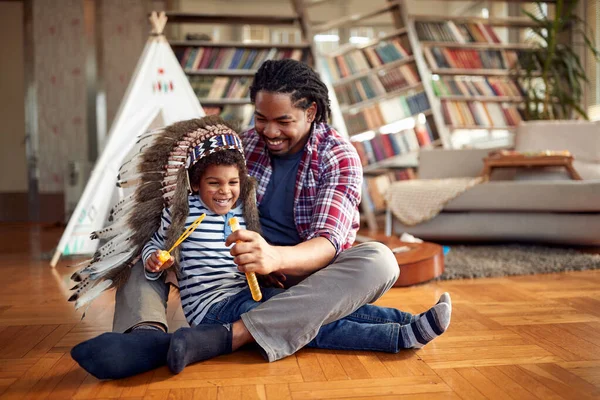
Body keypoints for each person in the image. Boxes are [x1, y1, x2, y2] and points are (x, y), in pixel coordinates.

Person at [71, 60, 451, 380]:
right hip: (238, 275)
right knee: (141, 256)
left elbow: (329, 243)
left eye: (283, 121)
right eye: (261, 118)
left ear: (311, 112)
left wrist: (275, 258)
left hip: (306, 277)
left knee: (380, 260)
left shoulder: (338, 156)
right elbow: (202, 193)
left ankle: (225, 337)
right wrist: (175, 247)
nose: (269, 131)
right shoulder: (244, 147)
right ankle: (145, 336)